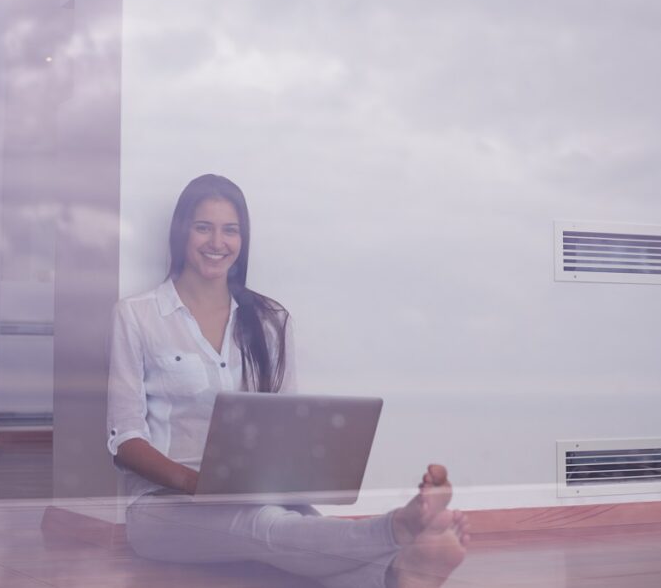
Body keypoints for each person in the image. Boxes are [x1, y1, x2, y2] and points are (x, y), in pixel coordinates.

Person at [106, 174, 470, 588]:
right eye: (203, 227)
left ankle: (400, 575)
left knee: (291, 539)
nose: (217, 242)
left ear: (243, 240)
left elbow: (288, 425)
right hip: (163, 509)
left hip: (258, 496)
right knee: (267, 528)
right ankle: (395, 531)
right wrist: (198, 485)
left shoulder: (270, 321)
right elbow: (125, 440)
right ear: (181, 232)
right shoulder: (136, 315)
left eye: (230, 230)